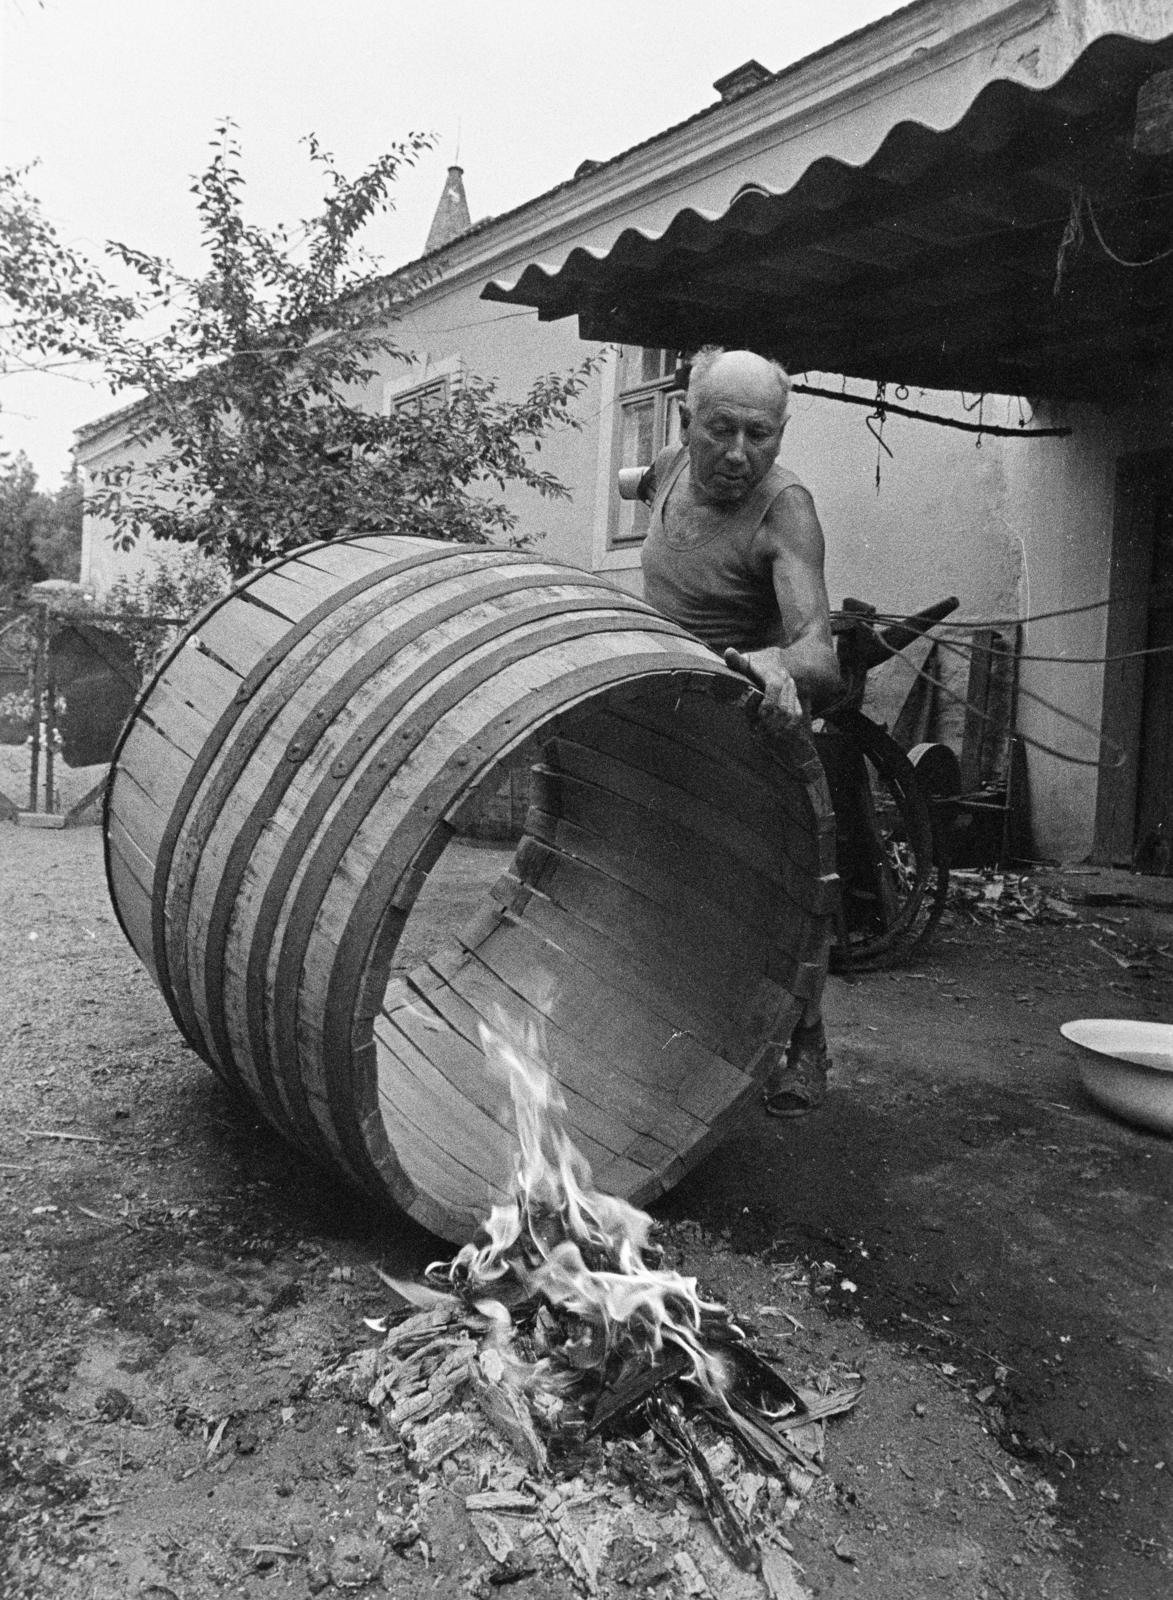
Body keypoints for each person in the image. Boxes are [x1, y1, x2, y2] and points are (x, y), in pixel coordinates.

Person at [636, 346, 842, 1116]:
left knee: (789, 894)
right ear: (686, 423)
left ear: (780, 434)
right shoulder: (665, 470)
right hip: (661, 713)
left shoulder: (784, 509)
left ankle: (805, 1044)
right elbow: (648, 489)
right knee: (660, 886)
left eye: (761, 435)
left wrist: (771, 661)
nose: (737, 455)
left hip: (754, 726)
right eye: (720, 430)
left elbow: (820, 658)